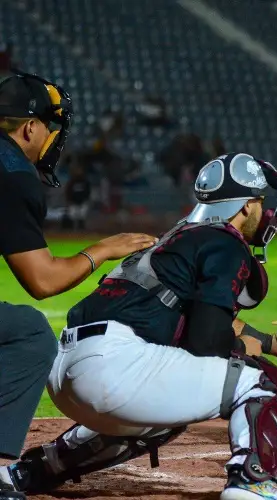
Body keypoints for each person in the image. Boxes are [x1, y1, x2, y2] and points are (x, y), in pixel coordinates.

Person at [0, 153, 277, 500]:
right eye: (260, 203)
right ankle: (253, 482)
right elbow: (207, 341)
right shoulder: (227, 242)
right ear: (246, 206)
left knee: (165, 408)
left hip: (68, 373)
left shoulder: (179, 237)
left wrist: (274, 344)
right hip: (115, 371)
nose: (265, 213)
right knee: (264, 382)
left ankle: (33, 471)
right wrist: (245, 350)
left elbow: (198, 316)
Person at [0, 70, 158, 500]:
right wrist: (102, 250)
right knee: (30, 333)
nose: (53, 139)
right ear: (31, 127)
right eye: (50, 128)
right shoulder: (11, 171)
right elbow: (42, 280)